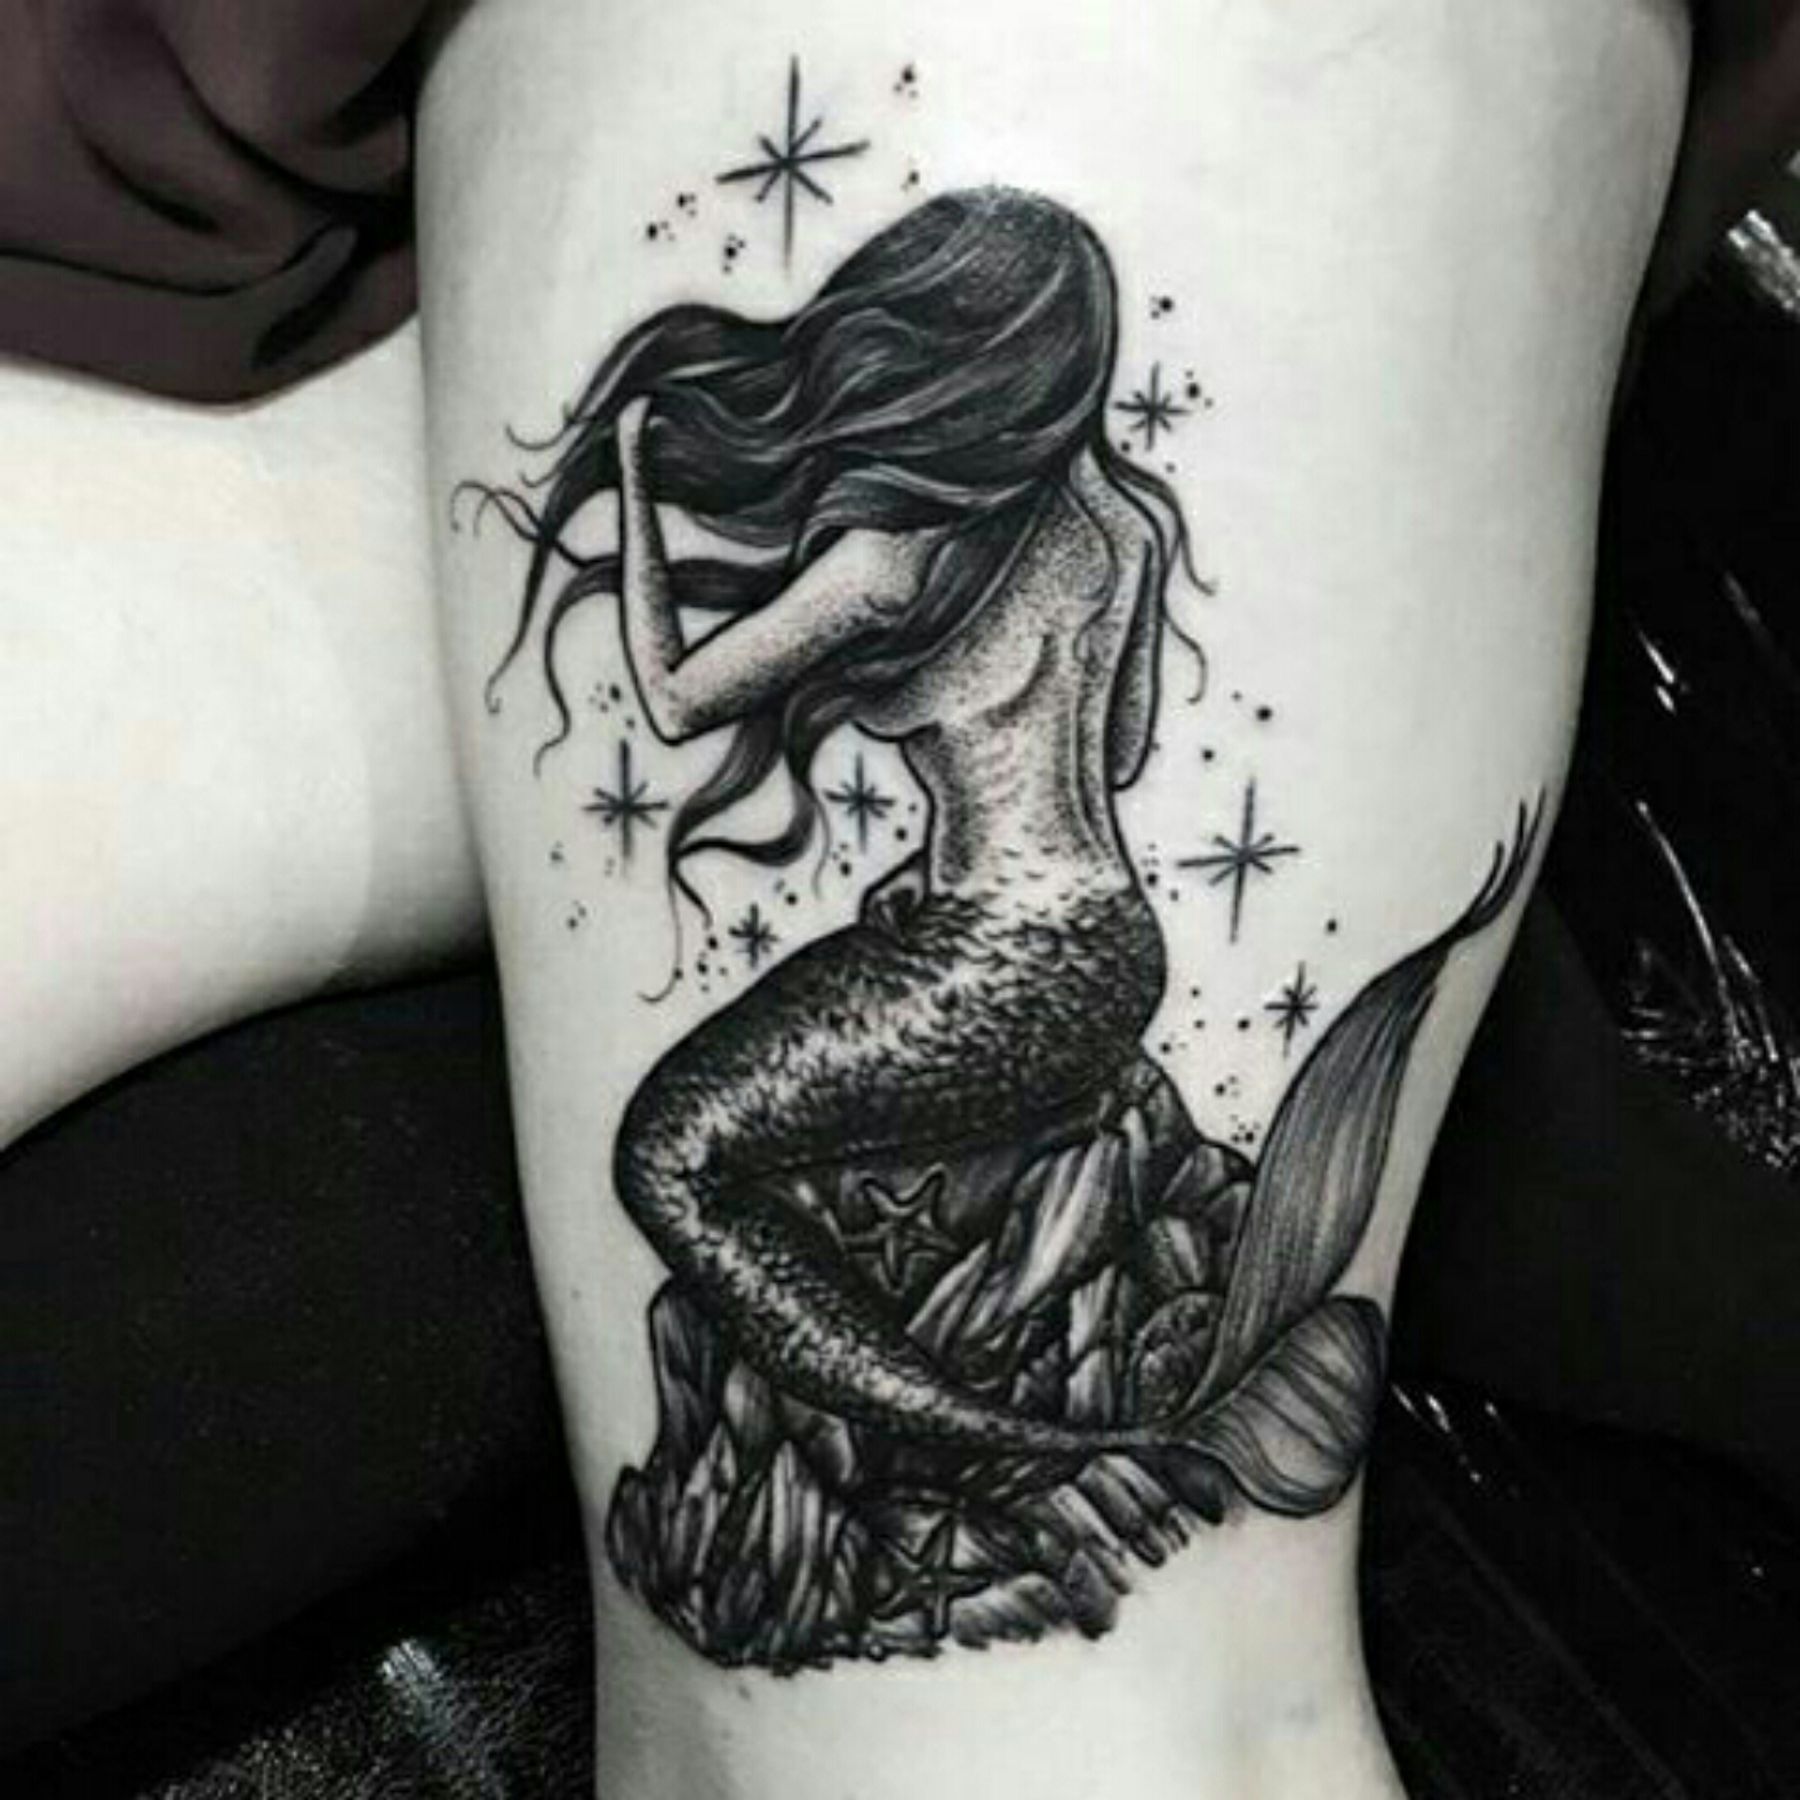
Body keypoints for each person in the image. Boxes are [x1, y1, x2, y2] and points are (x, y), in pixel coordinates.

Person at [0, 0, 1793, 1789]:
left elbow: (679, 699)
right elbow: (1125, 740)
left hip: (990, 940)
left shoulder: (892, 556)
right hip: (1098, 937)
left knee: (679, 1162)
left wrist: (641, 510)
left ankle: (968, 1429)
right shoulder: (1115, 526)